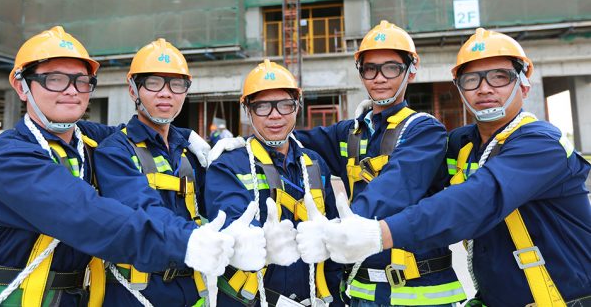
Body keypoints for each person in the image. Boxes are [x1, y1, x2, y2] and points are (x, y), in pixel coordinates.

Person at [0, 27, 246, 306]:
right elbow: (85, 215)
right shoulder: (11, 156)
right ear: (22, 86)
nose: (71, 91)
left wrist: (187, 137)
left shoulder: (85, 139)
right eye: (55, 79)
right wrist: (186, 242)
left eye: (81, 81)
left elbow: (136, 131)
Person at [306, 28, 591, 307]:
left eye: (499, 77)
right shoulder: (463, 145)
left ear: (524, 84)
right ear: (459, 89)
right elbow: (407, 172)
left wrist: (378, 233)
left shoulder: (541, 144)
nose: (484, 88)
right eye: (472, 80)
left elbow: (475, 200)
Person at [293, 21, 465, 306]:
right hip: (362, 290)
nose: (379, 78)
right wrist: (241, 145)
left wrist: (336, 230)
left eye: (391, 68)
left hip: (420, 293)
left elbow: (395, 188)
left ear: (411, 70)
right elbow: (291, 142)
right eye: (370, 69)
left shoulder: (424, 130)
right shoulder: (351, 132)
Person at [93, 38, 265, 306]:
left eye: (176, 84)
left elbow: (219, 201)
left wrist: (242, 229)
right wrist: (196, 238)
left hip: (194, 289)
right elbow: (140, 208)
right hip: (137, 292)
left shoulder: (190, 151)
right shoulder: (115, 151)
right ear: (132, 89)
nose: (166, 93)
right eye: (153, 83)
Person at [205, 59, 341, 306]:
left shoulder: (314, 164)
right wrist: (254, 240)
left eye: (285, 105)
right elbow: (231, 222)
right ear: (247, 110)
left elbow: (332, 255)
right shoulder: (228, 166)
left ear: (297, 106)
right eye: (262, 107)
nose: (275, 115)